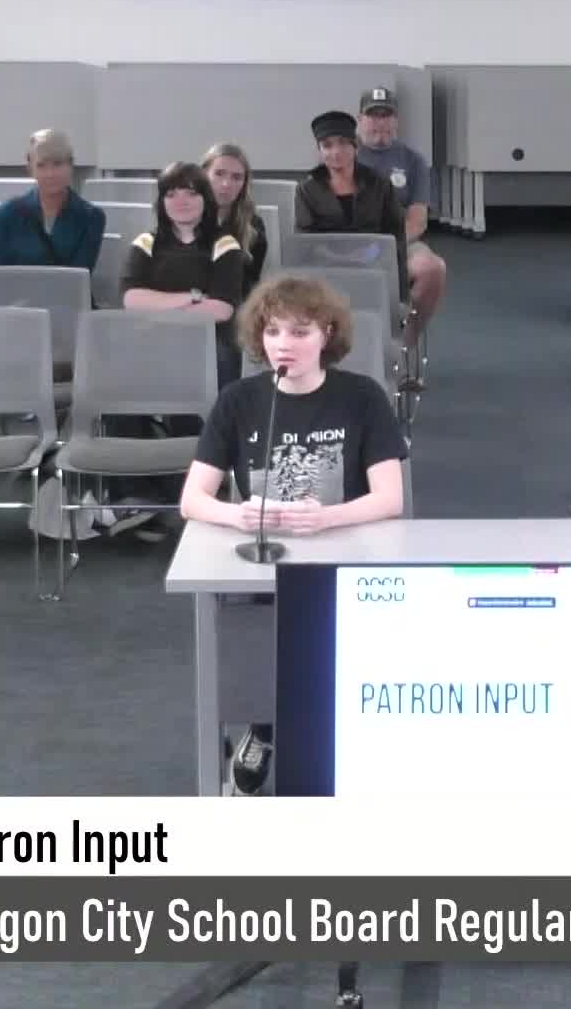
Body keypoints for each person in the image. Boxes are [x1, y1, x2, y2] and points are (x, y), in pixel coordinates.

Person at [180, 275, 408, 794]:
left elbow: (390, 498)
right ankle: (262, 723)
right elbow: (193, 499)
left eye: (300, 332)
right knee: (252, 638)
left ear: (327, 334)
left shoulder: (362, 397)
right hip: (265, 558)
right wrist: (238, 516)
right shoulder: (239, 401)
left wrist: (328, 517)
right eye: (273, 331)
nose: (284, 344)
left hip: (345, 551)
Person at [120, 160, 246, 390]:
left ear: (205, 199)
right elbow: (131, 299)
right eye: (171, 195)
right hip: (153, 337)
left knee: (221, 357)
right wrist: (193, 297)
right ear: (162, 202)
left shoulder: (225, 244)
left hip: (209, 340)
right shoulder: (145, 242)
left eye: (191, 193)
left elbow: (221, 310)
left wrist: (157, 309)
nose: (181, 202)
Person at [356, 86, 446, 350]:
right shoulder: (344, 156)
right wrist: (363, 249)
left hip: (400, 243)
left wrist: (384, 249)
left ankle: (404, 344)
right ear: (360, 120)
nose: (380, 122)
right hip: (353, 242)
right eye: (373, 115)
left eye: (386, 115)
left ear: (396, 121)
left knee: (432, 269)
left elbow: (418, 221)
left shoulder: (413, 160)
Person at [295, 110, 408, 317]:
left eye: (343, 143)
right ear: (319, 151)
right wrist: (341, 259)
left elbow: (395, 235)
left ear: (355, 146)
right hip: (326, 272)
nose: (336, 152)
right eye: (327, 145)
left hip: (373, 267)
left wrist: (400, 295)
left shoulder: (379, 184)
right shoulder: (307, 189)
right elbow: (305, 241)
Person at [0, 129, 105, 272]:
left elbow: (78, 277)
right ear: (30, 169)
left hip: (64, 287)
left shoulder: (91, 217)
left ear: (71, 165)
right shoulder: (7, 213)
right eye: (41, 165)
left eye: (58, 164)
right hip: (17, 287)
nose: (50, 174)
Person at [201, 143, 269, 285]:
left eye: (236, 177)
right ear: (204, 175)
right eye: (219, 174)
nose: (226, 184)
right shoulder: (182, 217)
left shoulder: (253, 226)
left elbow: (250, 284)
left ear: (244, 184)